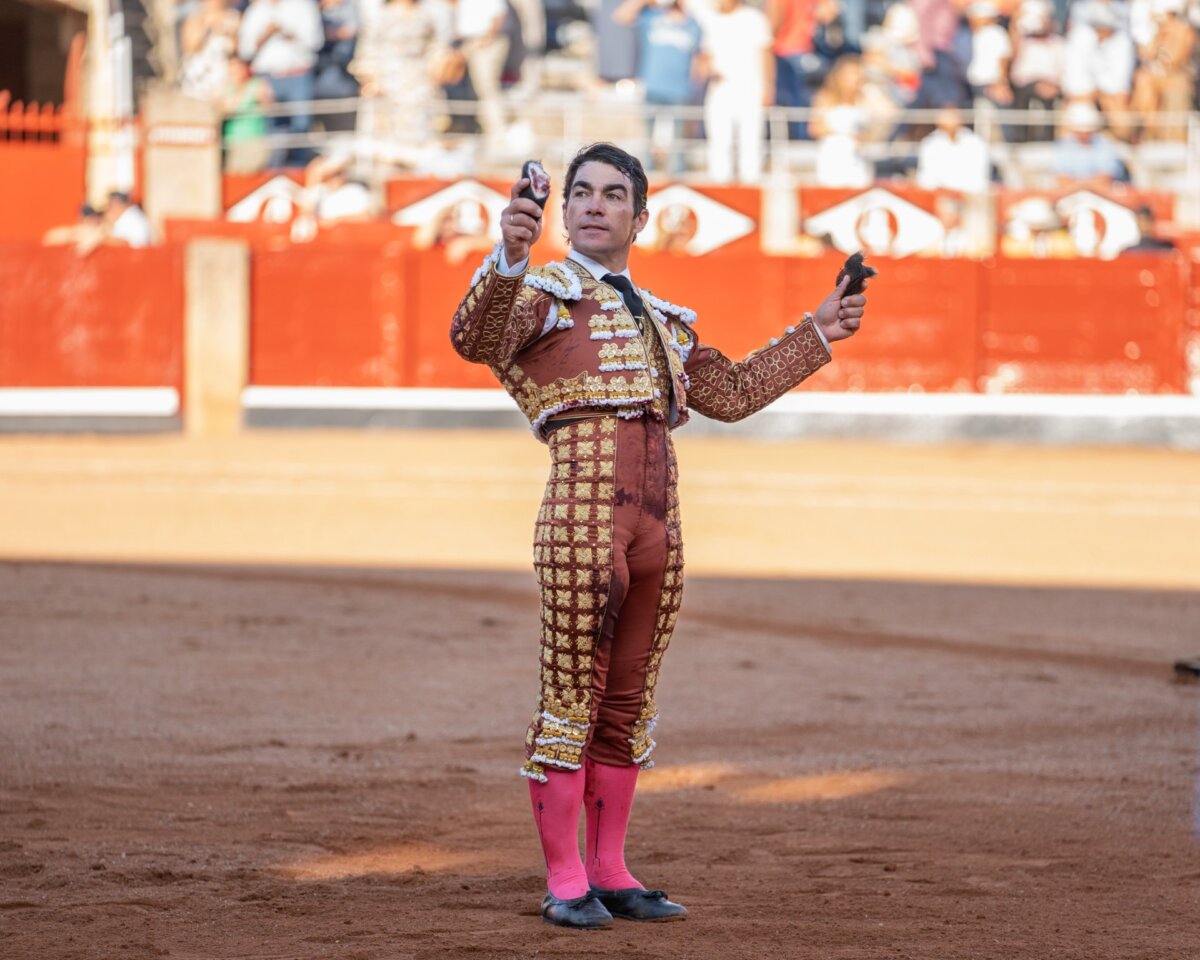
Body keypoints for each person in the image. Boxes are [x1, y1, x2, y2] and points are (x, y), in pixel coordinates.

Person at [448, 142, 867, 929]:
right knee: (571, 694)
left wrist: (816, 333)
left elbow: (731, 393)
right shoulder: (539, 297)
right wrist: (509, 253)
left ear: (640, 218)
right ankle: (565, 877)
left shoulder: (665, 322)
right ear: (564, 210)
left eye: (613, 194)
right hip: (582, 520)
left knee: (627, 700)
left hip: (657, 525)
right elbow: (474, 337)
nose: (593, 204)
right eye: (581, 192)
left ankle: (610, 870)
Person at [613, 0, 704, 175]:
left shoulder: (693, 24)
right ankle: (646, 173)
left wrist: (695, 84)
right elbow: (621, 16)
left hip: (681, 90)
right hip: (653, 86)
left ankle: (678, 174)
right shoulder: (652, 17)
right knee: (648, 136)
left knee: (678, 141)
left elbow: (698, 57)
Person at [237, 0, 324, 167]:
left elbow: (314, 42)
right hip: (267, 78)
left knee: (301, 127)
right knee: (271, 131)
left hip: (298, 76)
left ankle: (299, 169)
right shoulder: (256, 11)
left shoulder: (303, 6)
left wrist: (285, 32)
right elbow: (245, 50)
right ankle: (272, 169)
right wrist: (266, 34)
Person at [698, 0, 775, 183]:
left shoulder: (754, 19)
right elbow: (706, 55)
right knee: (719, 139)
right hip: (720, 88)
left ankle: (751, 182)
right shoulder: (711, 20)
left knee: (751, 139)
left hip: (750, 88)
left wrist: (768, 87)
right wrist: (707, 69)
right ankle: (719, 183)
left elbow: (766, 54)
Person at [916, 103, 992, 193]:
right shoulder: (930, 144)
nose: (950, 122)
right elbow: (926, 178)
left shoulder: (975, 142)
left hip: (969, 194)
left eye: (953, 117)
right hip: (940, 195)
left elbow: (980, 176)